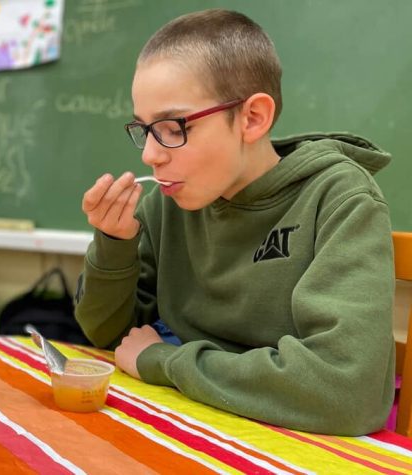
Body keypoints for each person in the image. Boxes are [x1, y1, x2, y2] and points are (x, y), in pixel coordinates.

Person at [75, 8, 395, 436]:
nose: (150, 155)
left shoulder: (339, 199)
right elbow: (108, 334)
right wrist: (114, 243)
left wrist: (166, 361)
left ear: (252, 118)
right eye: (144, 129)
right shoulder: (169, 202)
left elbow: (346, 392)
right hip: (191, 421)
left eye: (172, 127)